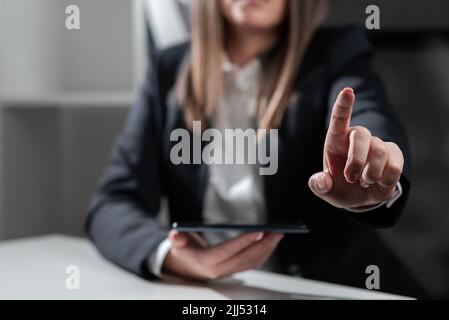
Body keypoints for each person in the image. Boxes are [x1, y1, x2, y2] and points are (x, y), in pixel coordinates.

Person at [86, 0, 426, 297]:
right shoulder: (167, 69)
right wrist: (171, 257)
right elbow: (113, 201)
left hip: (328, 286)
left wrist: (372, 168)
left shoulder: (336, 51)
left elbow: (367, 115)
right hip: (208, 293)